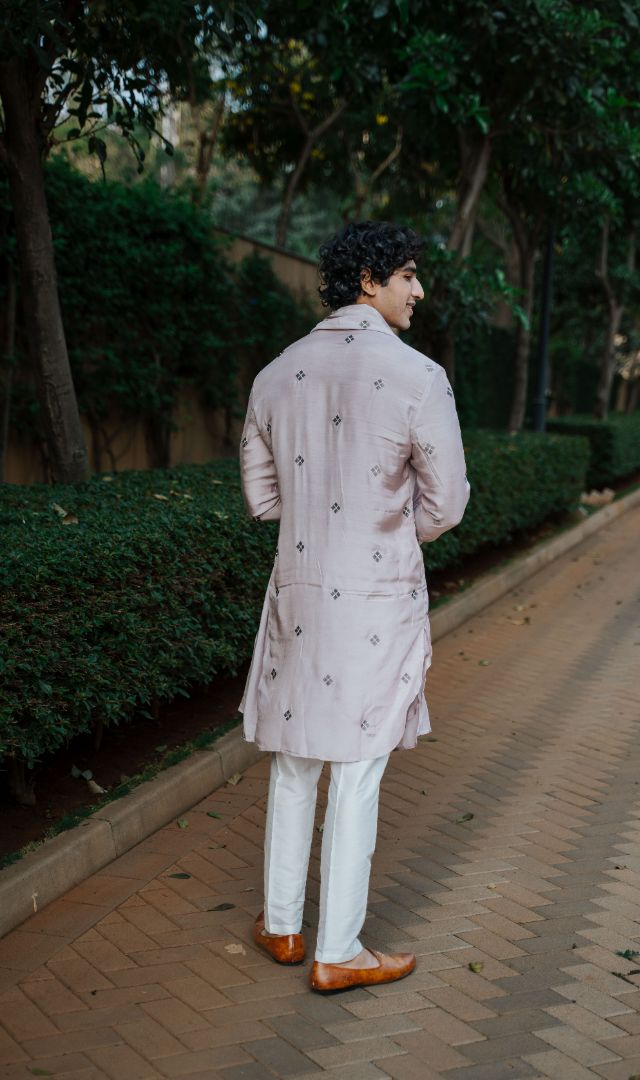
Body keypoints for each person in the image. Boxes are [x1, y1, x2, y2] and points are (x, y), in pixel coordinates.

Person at [239, 221, 470, 992]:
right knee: (358, 766)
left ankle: (281, 925)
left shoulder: (276, 374)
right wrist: (383, 530)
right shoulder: (417, 376)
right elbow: (447, 504)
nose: (418, 290)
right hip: (374, 596)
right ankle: (338, 951)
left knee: (295, 757)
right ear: (368, 280)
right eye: (407, 275)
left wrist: (321, 519)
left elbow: (262, 499)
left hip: (299, 589)